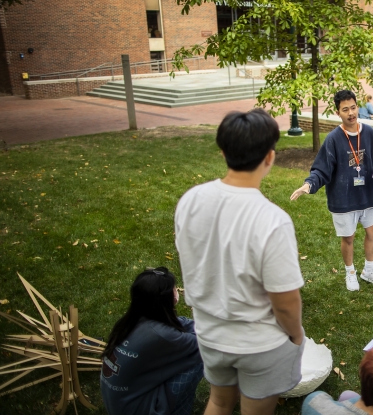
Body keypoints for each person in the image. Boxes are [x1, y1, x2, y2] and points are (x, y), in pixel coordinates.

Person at [175, 109, 306, 415]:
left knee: (219, 402)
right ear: (270, 157)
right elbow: (285, 302)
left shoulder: (190, 200)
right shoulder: (273, 220)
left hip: (209, 334)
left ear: (223, 152)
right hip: (259, 345)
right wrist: (296, 335)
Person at [291, 90, 373, 291]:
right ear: (338, 113)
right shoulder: (333, 139)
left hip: (368, 193)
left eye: (353, 108)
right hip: (343, 198)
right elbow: (321, 169)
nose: (351, 113)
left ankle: (369, 270)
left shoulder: (369, 132)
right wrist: (309, 184)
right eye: (345, 110)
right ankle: (350, 272)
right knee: (349, 237)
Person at [100, 267, 203, 415]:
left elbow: (181, 323)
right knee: (199, 360)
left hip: (120, 403)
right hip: (138, 410)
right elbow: (204, 343)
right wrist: (203, 315)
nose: (177, 292)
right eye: (174, 289)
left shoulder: (133, 320)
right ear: (167, 299)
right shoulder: (163, 335)